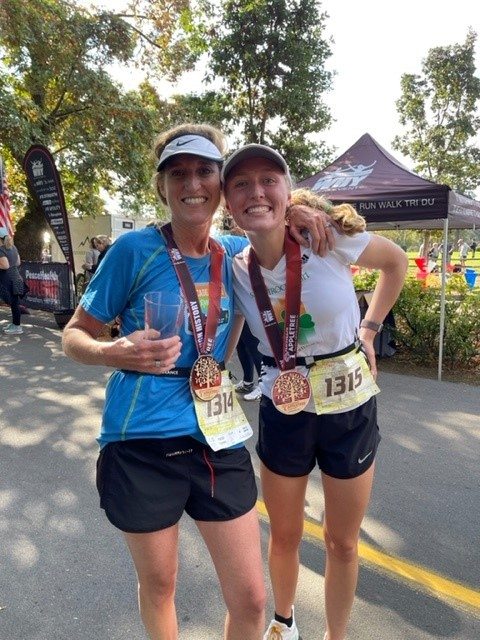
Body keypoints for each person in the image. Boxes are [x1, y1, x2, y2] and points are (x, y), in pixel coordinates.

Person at [62, 123, 335, 640]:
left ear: (221, 182)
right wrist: (111, 351)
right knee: (162, 584)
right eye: (178, 172)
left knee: (253, 601)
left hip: (216, 431)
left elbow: (274, 219)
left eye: (205, 171)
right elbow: (75, 333)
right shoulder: (132, 250)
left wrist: (298, 210)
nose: (193, 183)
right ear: (161, 186)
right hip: (139, 436)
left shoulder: (235, 249)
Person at [222, 144, 408, 640]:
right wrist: (214, 374)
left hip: (349, 400)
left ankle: (336, 635)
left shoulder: (324, 238)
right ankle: (284, 622)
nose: (256, 193)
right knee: (284, 534)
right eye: (241, 184)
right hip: (285, 403)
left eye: (269, 181)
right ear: (226, 200)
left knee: (342, 542)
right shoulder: (232, 266)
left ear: (287, 191)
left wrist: (369, 330)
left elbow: (396, 264)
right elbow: (230, 327)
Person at [0, 227, 25, 335]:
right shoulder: (13, 247)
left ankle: (17, 326)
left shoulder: (1, 250)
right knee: (14, 303)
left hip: (7, 280)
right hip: (16, 278)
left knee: (14, 304)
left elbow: (5, 265)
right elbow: (18, 262)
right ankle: (15, 324)